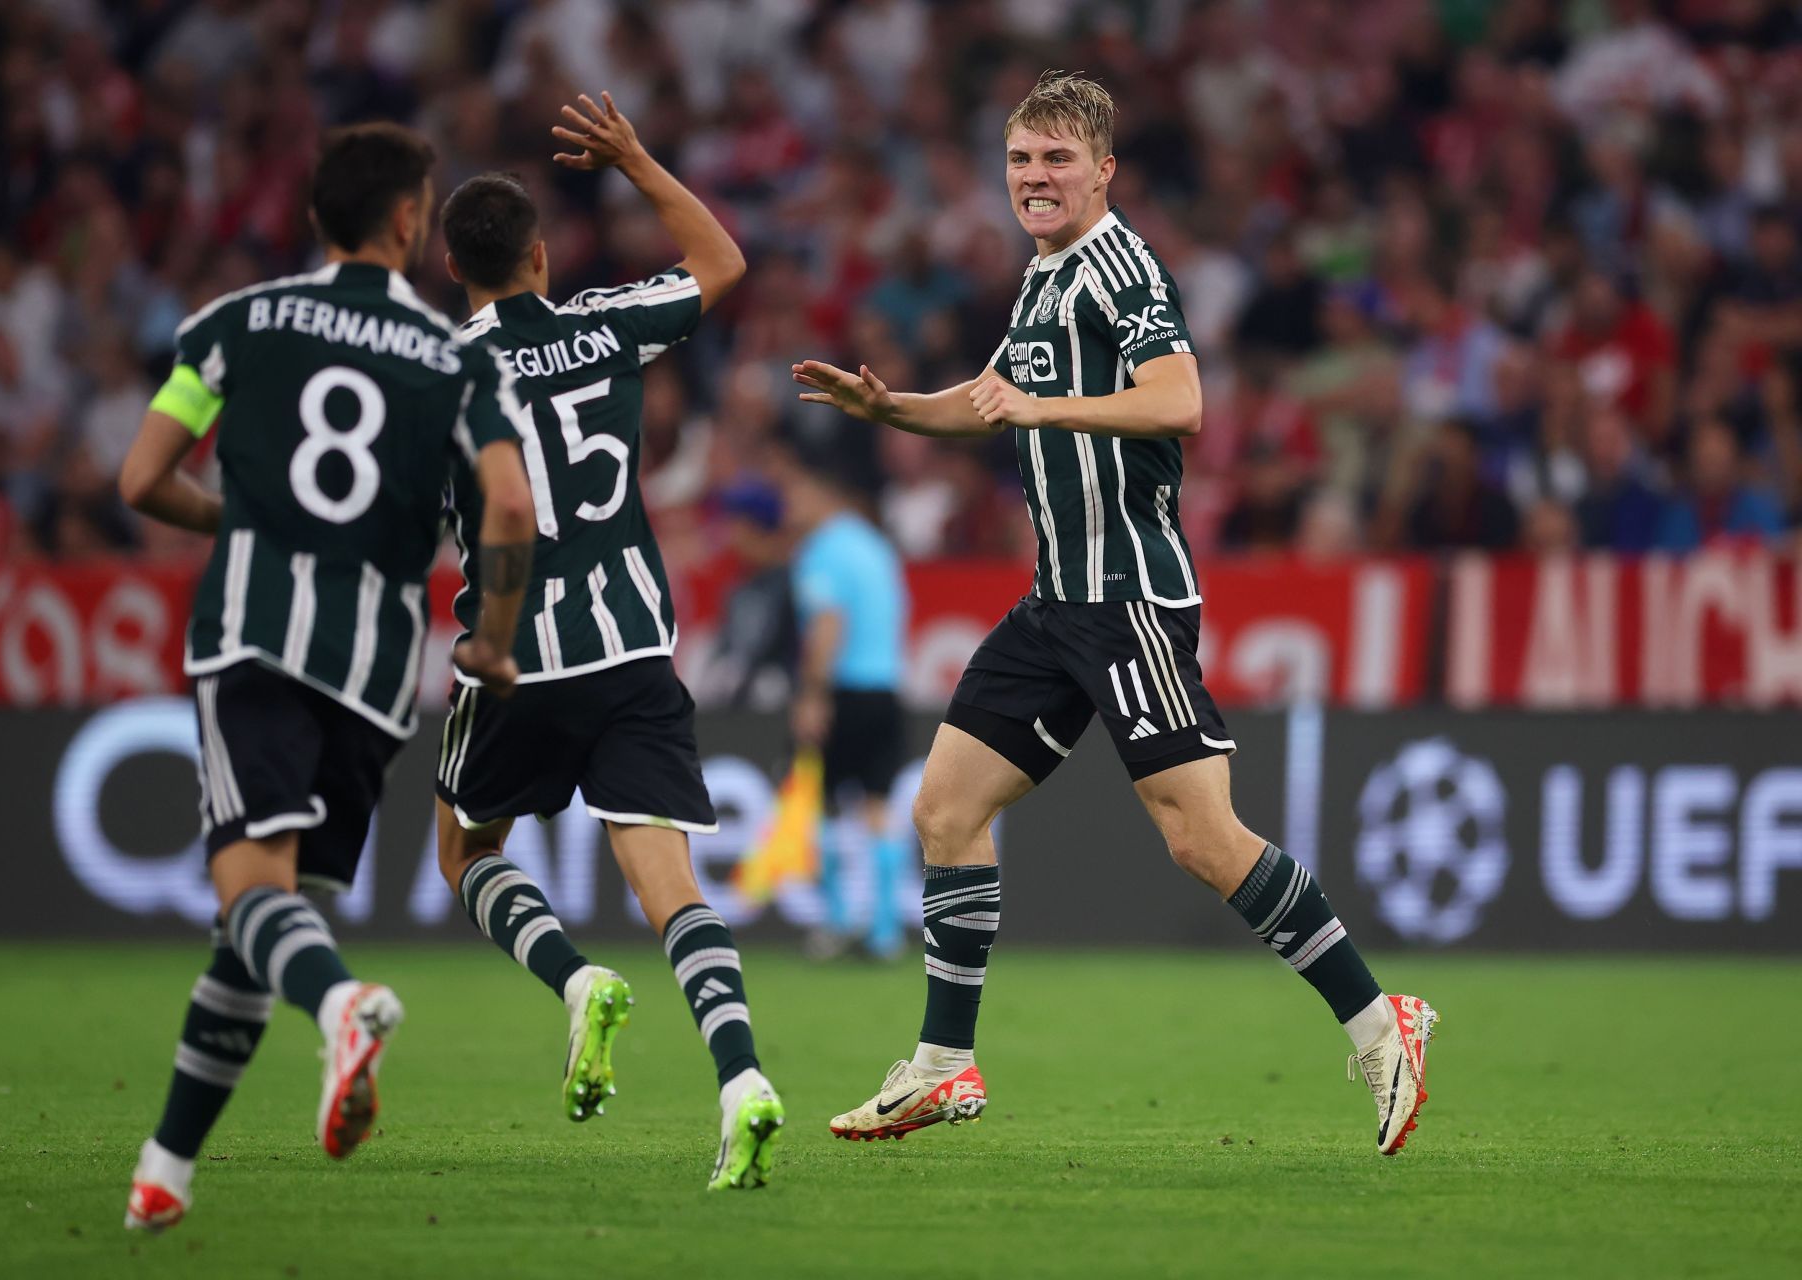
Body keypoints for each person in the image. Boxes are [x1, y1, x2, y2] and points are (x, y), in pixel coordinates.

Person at [793, 72, 1439, 1154]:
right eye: (1020, 160)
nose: (1035, 179)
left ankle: (1384, 1021)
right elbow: (993, 391)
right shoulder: (1044, 276)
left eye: (1056, 160)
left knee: (1201, 839)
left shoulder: (1120, 267)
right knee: (946, 808)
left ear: (1103, 170)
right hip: (1056, 601)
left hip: (1130, 597)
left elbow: (1181, 398)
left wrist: (1046, 406)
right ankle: (947, 1063)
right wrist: (891, 407)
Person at [115, 123, 538, 1231]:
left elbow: (141, 475)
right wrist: (491, 634)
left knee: (252, 897)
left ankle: (343, 1004)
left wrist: (241, 518)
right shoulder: (456, 359)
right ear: (409, 221)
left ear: (317, 218)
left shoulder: (236, 325)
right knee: (269, 918)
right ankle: (166, 1168)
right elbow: (507, 506)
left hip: (258, 636)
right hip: (374, 670)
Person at [431, 94, 784, 1191]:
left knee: (465, 848)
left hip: (525, 651)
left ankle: (577, 982)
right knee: (673, 889)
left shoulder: (441, 372)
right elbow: (722, 258)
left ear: (456, 266)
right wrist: (634, 154)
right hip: (635, 643)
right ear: (539, 254)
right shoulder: (606, 322)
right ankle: (742, 1079)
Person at [773, 440, 911, 960]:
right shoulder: (875, 545)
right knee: (877, 805)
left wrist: (812, 695)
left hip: (844, 691)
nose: (787, 507)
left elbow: (828, 625)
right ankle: (882, 931)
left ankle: (834, 922)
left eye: (793, 494)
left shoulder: (823, 550)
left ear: (818, 493)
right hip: (887, 688)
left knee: (827, 805)